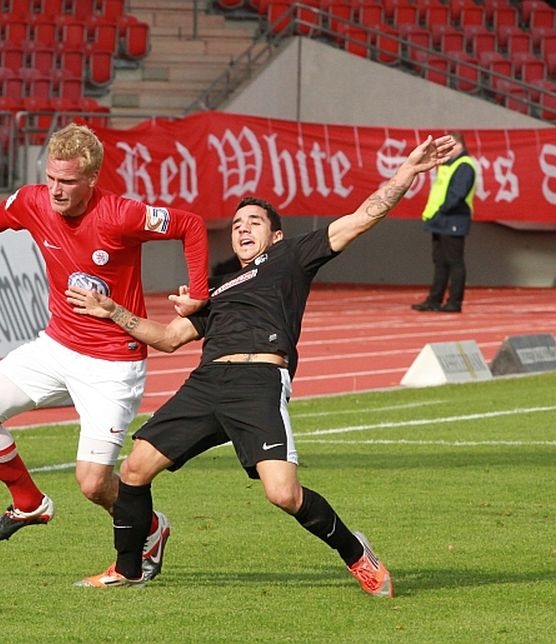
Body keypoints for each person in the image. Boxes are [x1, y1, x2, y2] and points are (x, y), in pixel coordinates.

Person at [67, 134, 456, 596]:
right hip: (208, 383)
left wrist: (408, 172)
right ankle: (129, 568)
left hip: (258, 382)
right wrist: (112, 311)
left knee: (283, 494)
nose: (243, 228)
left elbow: (361, 218)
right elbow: (169, 339)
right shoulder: (217, 287)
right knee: (134, 470)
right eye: (236, 224)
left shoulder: (290, 257)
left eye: (254, 221)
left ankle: (356, 553)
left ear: (276, 235)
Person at [0, 123, 210, 579]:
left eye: (67, 181)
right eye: (50, 177)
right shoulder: (34, 201)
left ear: (92, 178)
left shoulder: (121, 214)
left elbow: (190, 225)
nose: (55, 189)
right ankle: (28, 503)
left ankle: (151, 528)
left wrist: (199, 294)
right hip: (55, 347)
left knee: (93, 484)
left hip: (112, 364)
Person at [411, 131, 477, 314]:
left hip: (453, 218)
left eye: (450, 146)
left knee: (455, 262)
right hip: (440, 219)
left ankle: (454, 302)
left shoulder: (464, 165)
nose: (446, 150)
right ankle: (434, 299)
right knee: (440, 262)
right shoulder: (448, 165)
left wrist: (443, 209)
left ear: (459, 146)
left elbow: (457, 194)